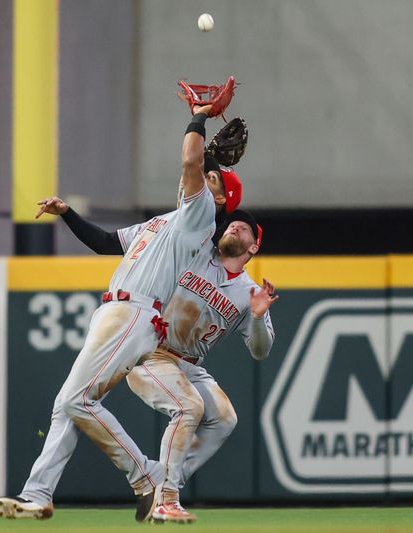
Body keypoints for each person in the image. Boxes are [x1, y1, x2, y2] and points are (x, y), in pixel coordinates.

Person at [0, 100, 241, 523]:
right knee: (66, 404)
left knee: (75, 400)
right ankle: (38, 493)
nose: (201, 179)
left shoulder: (201, 215)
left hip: (135, 313)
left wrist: (198, 116)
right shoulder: (165, 221)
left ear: (217, 198)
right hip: (117, 313)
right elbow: (107, 243)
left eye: (212, 179)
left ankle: (145, 476)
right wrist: (68, 214)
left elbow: (192, 159)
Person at [45, 202, 276, 523]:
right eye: (232, 224)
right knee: (189, 407)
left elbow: (261, 350)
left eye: (244, 228)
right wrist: (69, 214)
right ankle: (166, 494)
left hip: (190, 364)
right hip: (151, 350)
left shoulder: (250, 292)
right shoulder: (193, 251)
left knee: (224, 419)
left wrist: (256, 317)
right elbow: (107, 243)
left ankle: (166, 481)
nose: (234, 227)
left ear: (254, 246)